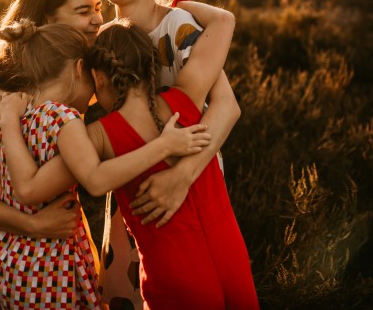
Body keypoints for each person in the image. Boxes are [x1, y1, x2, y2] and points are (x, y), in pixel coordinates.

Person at [0, 20, 210, 308]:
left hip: (1, 255)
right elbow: (96, 179)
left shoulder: (19, 113)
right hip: (45, 262)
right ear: (78, 69)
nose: (95, 91)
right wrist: (164, 145)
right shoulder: (64, 118)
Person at [95, 0, 243, 307]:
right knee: (130, 289)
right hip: (132, 182)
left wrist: (181, 177)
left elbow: (226, 107)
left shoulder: (176, 26)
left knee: (192, 288)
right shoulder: (104, 38)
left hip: (191, 178)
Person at [0, 0, 105, 306]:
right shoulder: (22, 98)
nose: (97, 19)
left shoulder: (81, 71)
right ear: (48, 21)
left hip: (56, 247)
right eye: (83, 11)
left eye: (98, 7)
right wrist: (33, 226)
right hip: (8, 229)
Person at [89, 20, 259, 308]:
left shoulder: (100, 135)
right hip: (232, 259)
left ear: (98, 78)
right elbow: (223, 20)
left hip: (174, 278)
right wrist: (178, 6)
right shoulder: (186, 96)